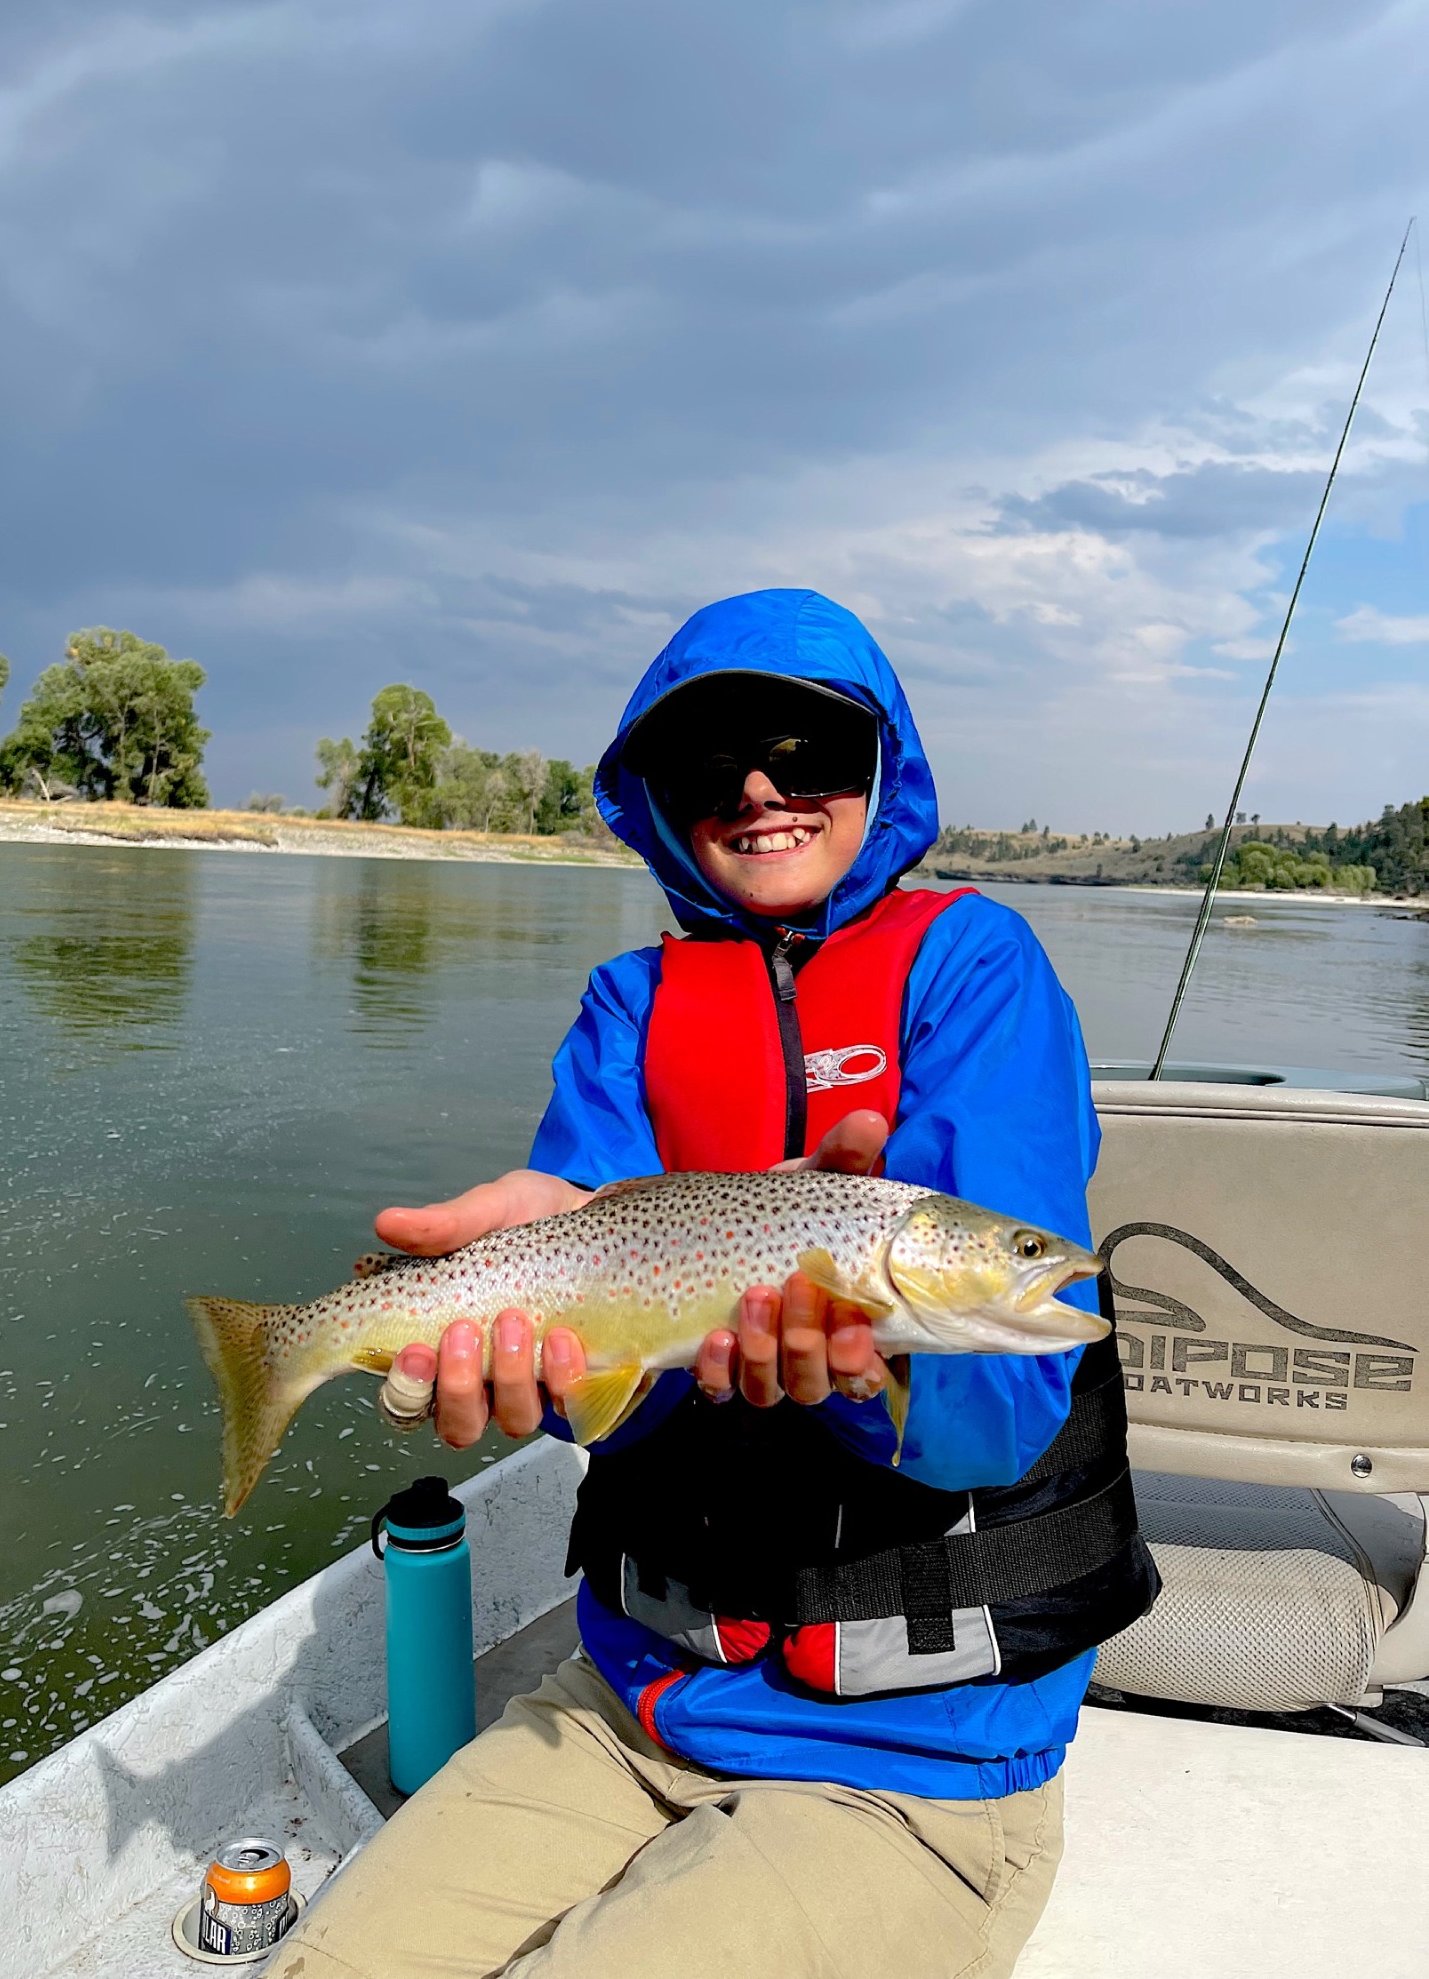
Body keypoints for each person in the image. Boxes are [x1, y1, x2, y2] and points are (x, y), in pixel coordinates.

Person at [266, 588, 1156, 1979]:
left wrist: (864, 1381)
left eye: (804, 749)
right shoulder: (631, 1005)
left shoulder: (979, 970)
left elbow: (1007, 1413)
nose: (758, 786)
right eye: (709, 763)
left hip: (912, 1763)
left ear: (881, 767)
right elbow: (605, 1406)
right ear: (657, 800)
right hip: (632, 1704)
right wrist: (536, 1377)